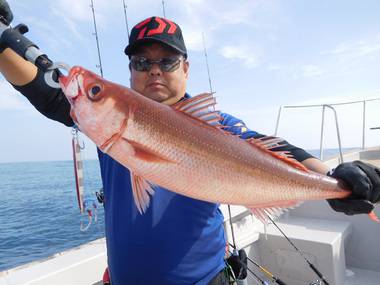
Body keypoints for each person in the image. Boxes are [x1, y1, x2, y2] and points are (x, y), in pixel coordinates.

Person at [0, 4, 379, 285]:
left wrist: (334, 178)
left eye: (167, 60)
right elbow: (45, 89)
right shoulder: (102, 123)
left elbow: (278, 148)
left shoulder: (218, 126)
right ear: (130, 70)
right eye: (141, 61)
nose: (154, 70)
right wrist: (2, 40)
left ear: (186, 68)